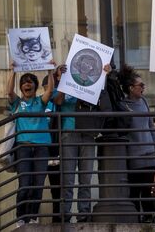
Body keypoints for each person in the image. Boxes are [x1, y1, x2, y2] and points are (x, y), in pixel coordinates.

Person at [53, 63, 107, 223]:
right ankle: (65, 214)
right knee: (68, 178)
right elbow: (58, 101)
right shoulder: (61, 88)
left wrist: (103, 74)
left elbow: (100, 97)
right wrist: (63, 81)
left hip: (88, 133)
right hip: (69, 133)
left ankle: (84, 214)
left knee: (86, 178)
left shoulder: (87, 85)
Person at [7, 61, 55, 227]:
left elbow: (49, 91)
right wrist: (13, 71)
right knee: (25, 184)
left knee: (38, 184)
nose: (27, 83)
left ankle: (33, 217)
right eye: (24, 82)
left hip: (41, 148)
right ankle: (21, 217)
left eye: (30, 81)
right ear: (21, 88)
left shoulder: (40, 102)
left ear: (35, 87)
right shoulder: (17, 103)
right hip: (23, 148)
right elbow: (8, 91)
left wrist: (50, 71)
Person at [118, 64, 155, 223]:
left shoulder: (144, 101)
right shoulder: (123, 105)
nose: (143, 87)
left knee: (147, 189)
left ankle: (149, 219)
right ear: (131, 88)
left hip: (149, 153)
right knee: (135, 189)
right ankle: (136, 220)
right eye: (141, 85)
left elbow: (151, 125)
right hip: (134, 154)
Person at [42, 75, 61, 223]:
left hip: (56, 151)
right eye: (47, 88)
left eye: (52, 88)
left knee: (57, 188)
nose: (50, 90)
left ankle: (57, 218)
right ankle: (31, 217)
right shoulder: (39, 103)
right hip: (41, 151)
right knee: (35, 185)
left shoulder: (58, 104)